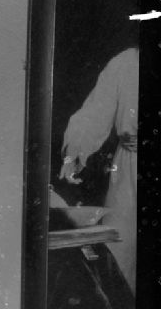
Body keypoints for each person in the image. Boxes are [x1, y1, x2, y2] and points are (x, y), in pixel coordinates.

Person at [58, 47, 139, 294]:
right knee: (118, 251)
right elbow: (95, 113)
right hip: (129, 170)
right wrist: (74, 151)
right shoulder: (126, 62)